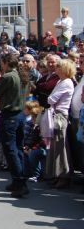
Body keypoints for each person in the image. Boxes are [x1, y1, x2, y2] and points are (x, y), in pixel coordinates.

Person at [0, 54, 26, 197]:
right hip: (19, 115)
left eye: (2, 63)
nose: (0, 66)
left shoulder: (8, 76)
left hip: (10, 115)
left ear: (6, 63)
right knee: (18, 149)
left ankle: (19, 182)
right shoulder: (20, 75)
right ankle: (19, 181)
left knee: (10, 150)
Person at [41, 58, 75, 188]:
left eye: (60, 66)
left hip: (60, 116)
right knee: (55, 147)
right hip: (56, 114)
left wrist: (50, 98)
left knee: (61, 148)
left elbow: (51, 99)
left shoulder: (66, 82)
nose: (57, 67)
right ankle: (57, 174)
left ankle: (64, 176)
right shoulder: (61, 81)